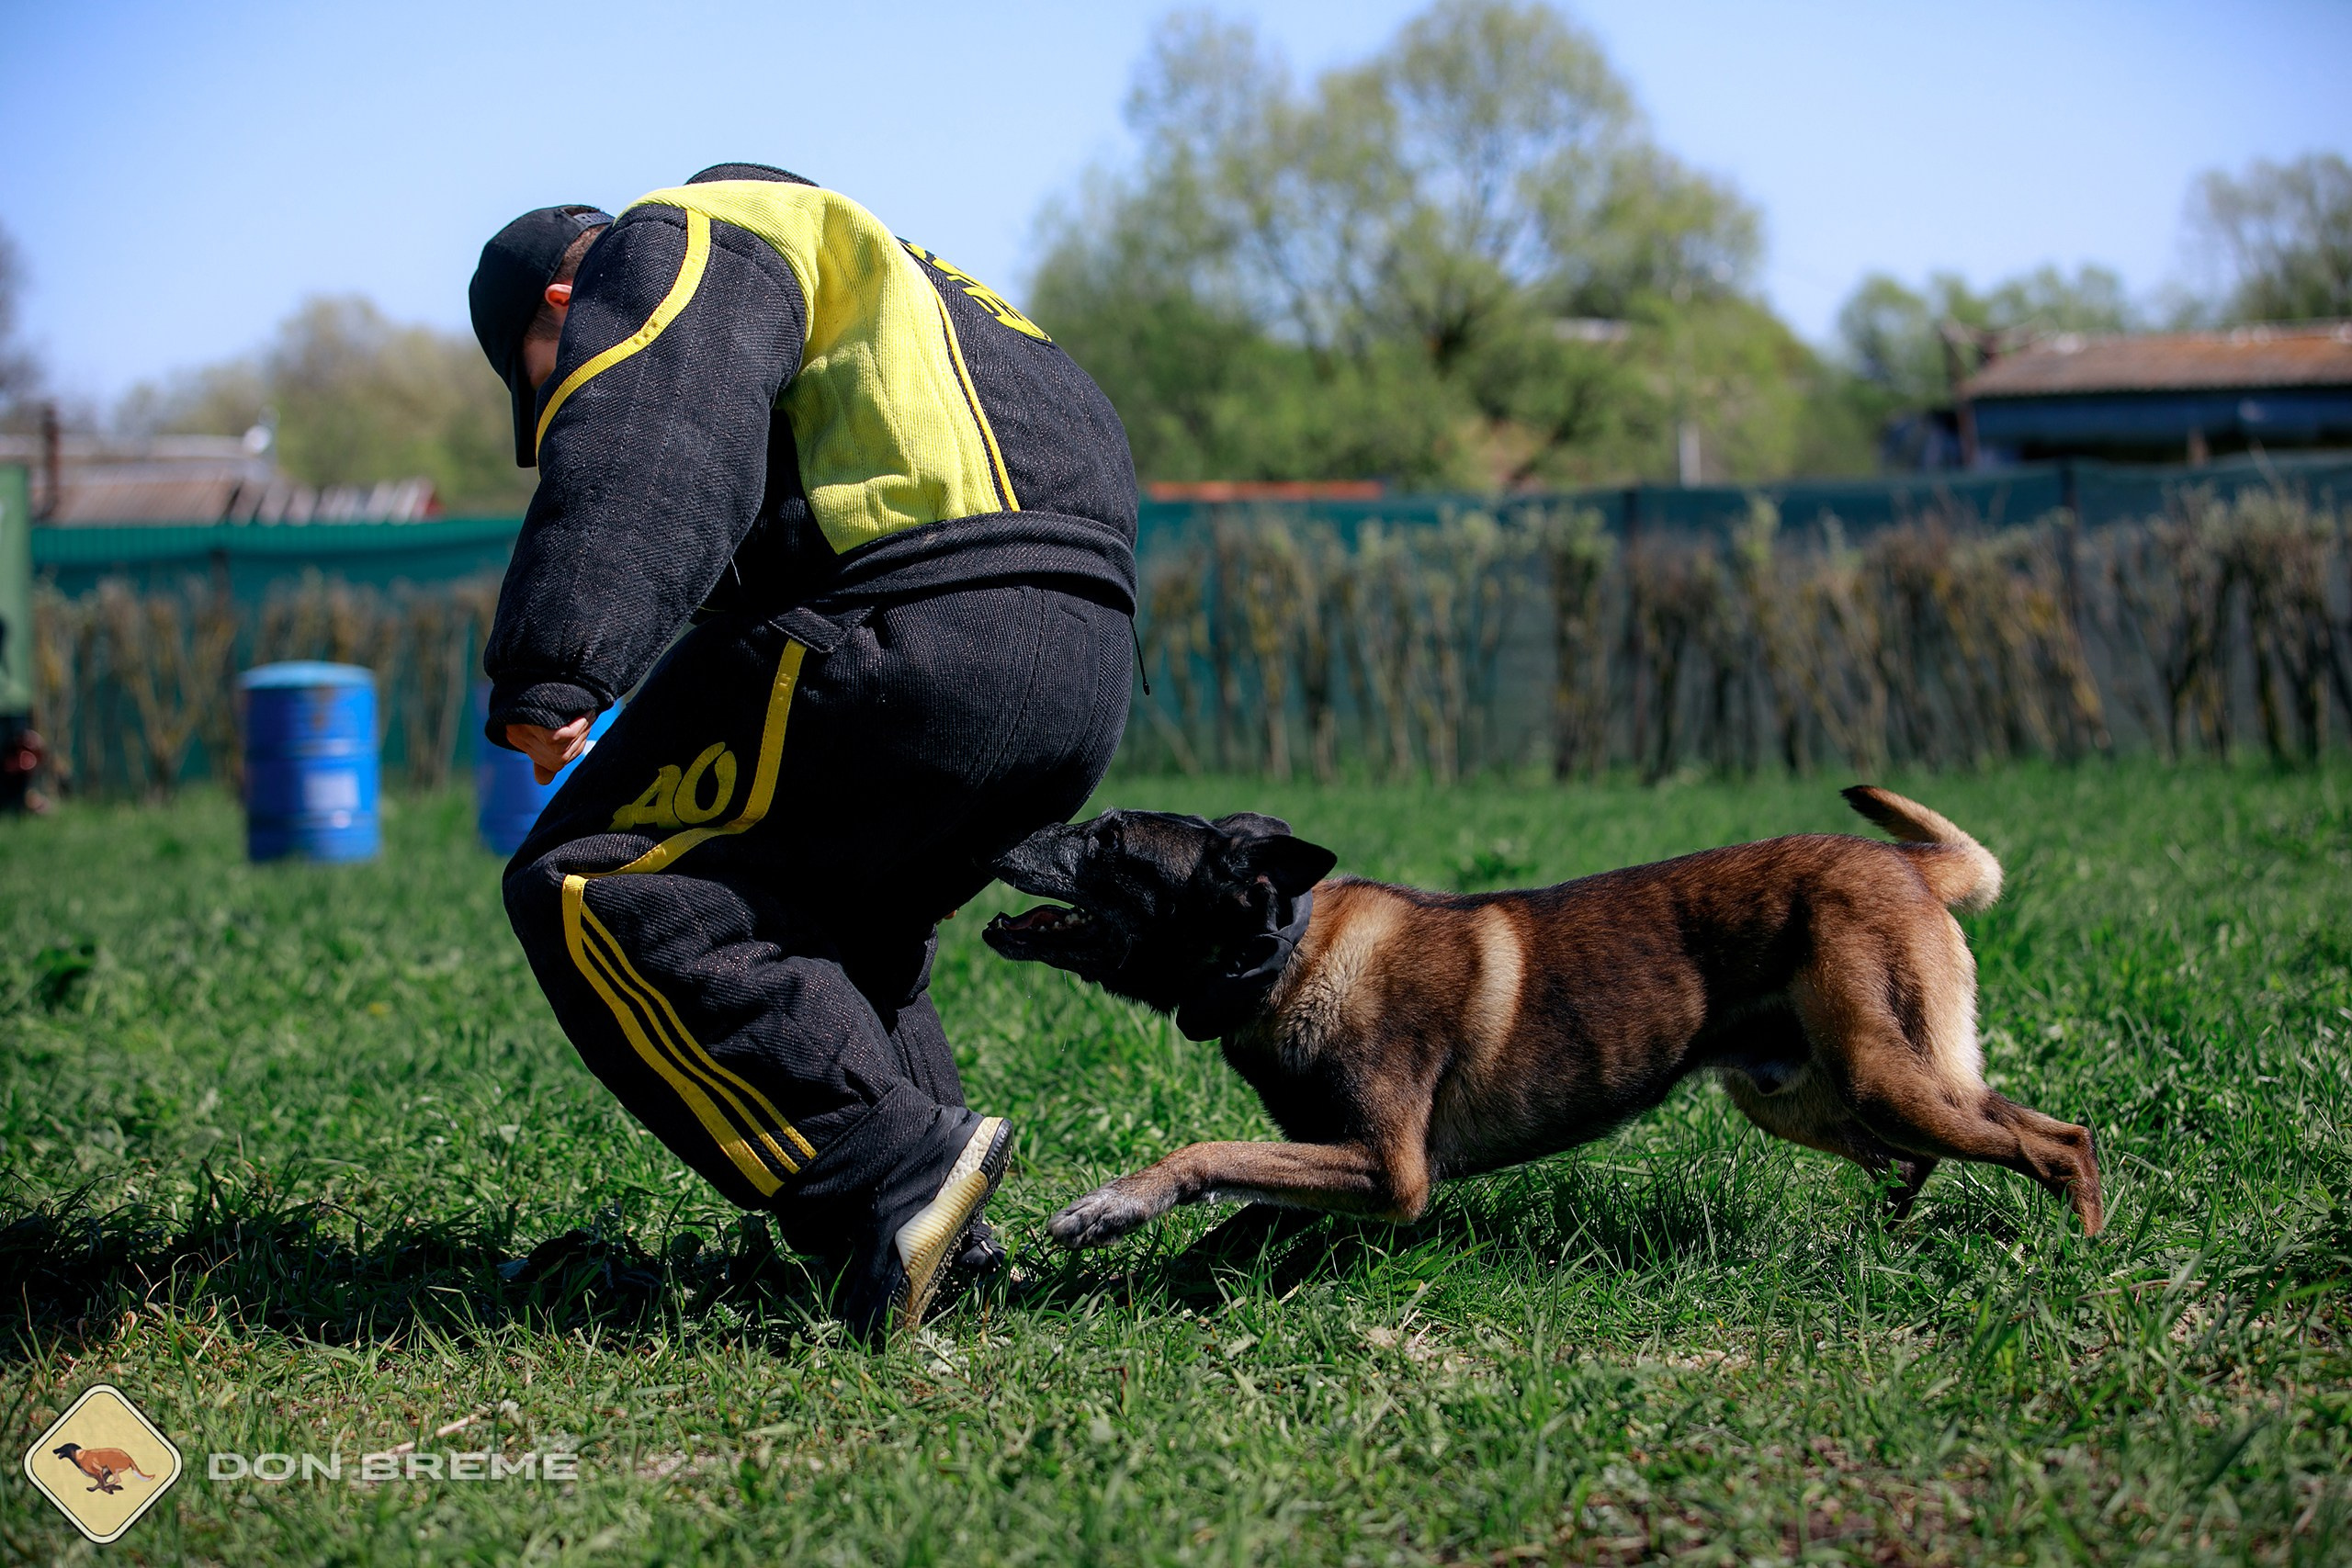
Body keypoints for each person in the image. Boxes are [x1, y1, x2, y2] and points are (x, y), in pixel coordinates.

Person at [468, 163, 1136, 1340]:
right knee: (840, 916)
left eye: (547, 381)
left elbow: (655, 418)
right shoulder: (927, 285)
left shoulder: (681, 241)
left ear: (561, 311)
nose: (565, 395)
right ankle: (942, 1242)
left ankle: (885, 1173)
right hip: (1080, 665)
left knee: (590, 875)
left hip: (923, 627)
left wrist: (559, 657)